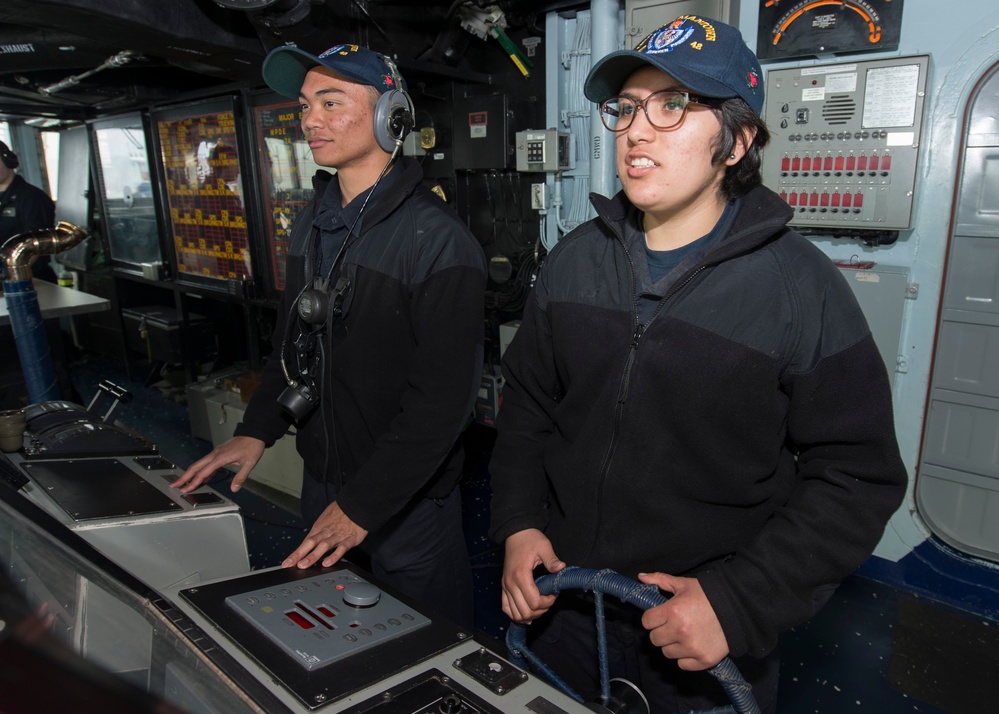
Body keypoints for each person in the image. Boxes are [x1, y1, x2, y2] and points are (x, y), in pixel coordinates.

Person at [489, 15, 907, 713]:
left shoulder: (799, 290)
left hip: (698, 633)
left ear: (737, 140)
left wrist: (736, 601)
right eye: (624, 108)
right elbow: (529, 406)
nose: (635, 130)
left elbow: (855, 477)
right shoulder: (573, 261)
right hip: (561, 606)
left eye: (673, 105)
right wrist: (517, 523)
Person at [173, 44, 487, 630]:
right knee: (336, 638)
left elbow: (442, 405)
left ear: (390, 115)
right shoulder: (313, 224)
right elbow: (291, 348)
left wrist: (363, 507)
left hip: (405, 501)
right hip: (321, 481)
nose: (310, 120)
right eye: (305, 105)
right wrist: (257, 431)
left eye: (331, 102)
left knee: (429, 650)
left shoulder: (437, 242)